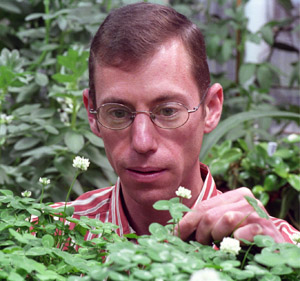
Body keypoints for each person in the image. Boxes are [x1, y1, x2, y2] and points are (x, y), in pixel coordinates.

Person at [53, 2, 299, 244]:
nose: (142, 142)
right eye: (118, 113)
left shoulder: (282, 249)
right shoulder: (47, 233)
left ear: (211, 108)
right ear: (92, 115)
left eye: (168, 111)